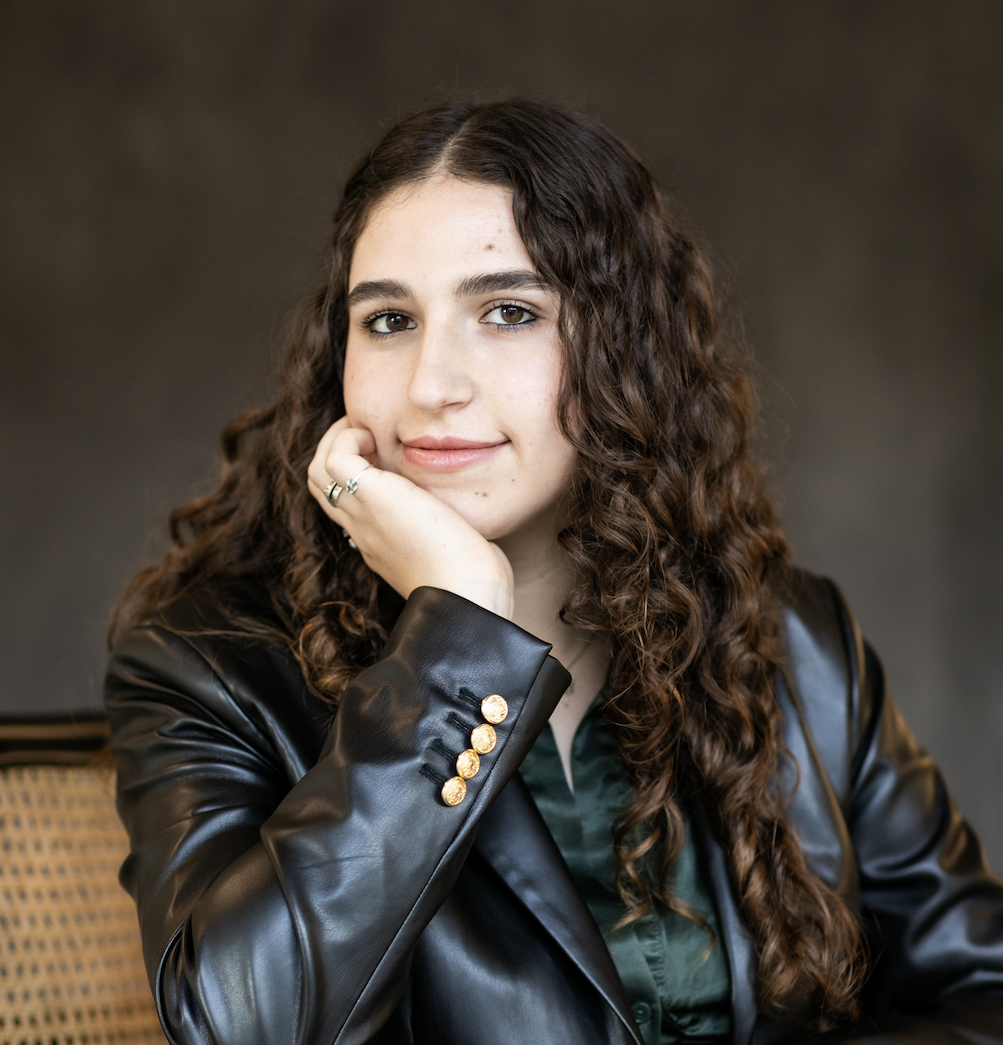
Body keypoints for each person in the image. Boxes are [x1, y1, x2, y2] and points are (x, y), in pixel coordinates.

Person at [104, 99, 1003, 1045]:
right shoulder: (207, 665)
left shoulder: (797, 645)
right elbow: (240, 1026)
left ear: (627, 352)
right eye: (388, 320)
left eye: (507, 312)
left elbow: (981, 993)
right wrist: (455, 642)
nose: (431, 384)